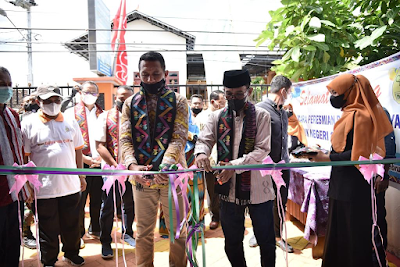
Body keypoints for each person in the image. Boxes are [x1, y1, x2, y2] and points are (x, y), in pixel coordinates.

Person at [308, 74, 393, 267]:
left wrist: (327, 158)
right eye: (331, 92)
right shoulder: (349, 114)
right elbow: (345, 149)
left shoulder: (362, 116)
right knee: (340, 238)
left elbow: (358, 156)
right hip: (341, 185)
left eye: (336, 92)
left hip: (354, 188)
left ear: (351, 92)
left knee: (353, 240)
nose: (333, 97)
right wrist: (325, 154)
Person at [195, 69, 276, 267]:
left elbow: (262, 150)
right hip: (228, 189)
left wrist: (234, 166)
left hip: (258, 188)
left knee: (266, 240)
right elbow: (204, 140)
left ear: (248, 91)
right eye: (229, 95)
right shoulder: (215, 117)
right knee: (232, 241)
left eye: (239, 94)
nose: (234, 99)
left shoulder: (261, 116)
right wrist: (202, 153)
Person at [120, 51, 188, 267]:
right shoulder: (130, 103)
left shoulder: (179, 101)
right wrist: (133, 166)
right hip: (141, 178)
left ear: (165, 74)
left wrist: (165, 167)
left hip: (172, 176)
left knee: (178, 232)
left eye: (155, 74)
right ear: (138, 75)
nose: (149, 79)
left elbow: (179, 137)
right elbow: (124, 139)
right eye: (145, 75)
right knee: (143, 233)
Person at [22, 85, 86, 266]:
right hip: (43, 188)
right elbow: (25, 157)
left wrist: (81, 176)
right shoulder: (28, 123)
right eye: (48, 101)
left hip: (70, 185)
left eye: (56, 100)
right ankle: (49, 259)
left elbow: (78, 150)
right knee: (47, 227)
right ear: (38, 102)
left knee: (72, 224)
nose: (53, 104)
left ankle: (71, 253)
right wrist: (28, 185)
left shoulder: (70, 120)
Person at [94, 85, 135, 258]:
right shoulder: (106, 116)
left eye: (127, 97)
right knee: (109, 206)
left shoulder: (138, 117)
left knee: (130, 203)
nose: (123, 100)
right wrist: (114, 165)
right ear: (115, 97)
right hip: (112, 170)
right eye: (120, 96)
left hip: (132, 170)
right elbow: (99, 145)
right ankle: (106, 241)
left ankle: (128, 233)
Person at [254, 75, 294, 253]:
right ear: (283, 91)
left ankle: (277, 236)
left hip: (283, 166)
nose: (289, 95)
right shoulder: (259, 110)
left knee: (280, 202)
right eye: (289, 92)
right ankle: (260, 234)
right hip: (265, 167)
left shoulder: (283, 112)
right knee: (263, 203)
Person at [65, 81, 104, 246]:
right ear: (80, 93)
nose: (90, 96)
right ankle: (78, 234)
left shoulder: (103, 113)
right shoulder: (70, 113)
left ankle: (96, 228)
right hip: (80, 162)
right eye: (87, 92)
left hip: (99, 162)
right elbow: (68, 142)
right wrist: (85, 159)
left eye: (94, 93)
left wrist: (102, 157)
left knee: (97, 199)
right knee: (79, 201)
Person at [0, 66, 26, 267]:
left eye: (9, 84)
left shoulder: (12, 115)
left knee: (12, 243)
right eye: (2, 84)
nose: (6, 89)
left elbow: (18, 154)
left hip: (14, 193)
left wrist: (26, 184)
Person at [194, 89, 226, 229]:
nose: (224, 104)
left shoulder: (225, 116)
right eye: (221, 102)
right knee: (211, 190)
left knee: (225, 188)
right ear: (213, 102)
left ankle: (226, 216)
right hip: (209, 160)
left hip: (224, 159)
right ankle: (215, 217)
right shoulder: (201, 117)